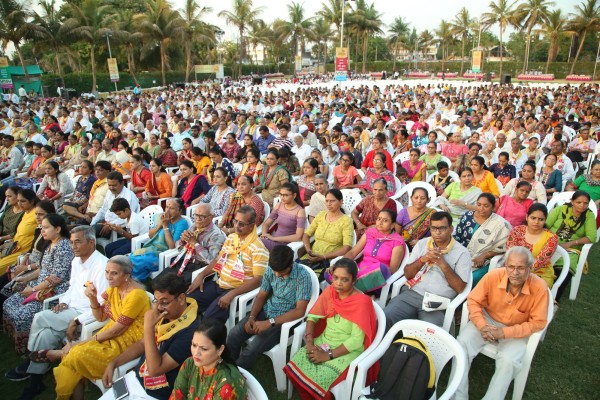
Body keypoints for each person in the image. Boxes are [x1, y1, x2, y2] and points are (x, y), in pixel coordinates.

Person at [6, 226, 107, 396]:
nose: (73, 246)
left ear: (91, 243)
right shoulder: (76, 261)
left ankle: (33, 357)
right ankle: (35, 381)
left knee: (39, 318)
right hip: (70, 308)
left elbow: (102, 305)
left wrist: (77, 321)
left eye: (77, 242)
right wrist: (64, 302)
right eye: (71, 242)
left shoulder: (102, 266)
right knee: (46, 334)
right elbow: (71, 288)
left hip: (85, 314)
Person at [455, 246, 549, 400]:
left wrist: (504, 333)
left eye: (521, 268)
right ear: (505, 266)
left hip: (516, 330)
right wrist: (482, 325)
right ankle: (458, 396)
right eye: (511, 267)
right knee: (462, 344)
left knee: (508, 360)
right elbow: (473, 300)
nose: (515, 272)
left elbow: (538, 323)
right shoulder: (493, 276)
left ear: (529, 269)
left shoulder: (539, 287)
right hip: (488, 320)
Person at [52, 256, 151, 400]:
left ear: (126, 275)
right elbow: (100, 317)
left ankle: (60, 361)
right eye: (107, 272)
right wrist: (92, 298)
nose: (108, 277)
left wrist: (80, 343)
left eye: (114, 273)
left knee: (74, 355)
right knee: (73, 358)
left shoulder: (136, 296)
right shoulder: (113, 290)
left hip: (128, 341)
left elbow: (119, 330)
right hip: (110, 334)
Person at [283, 258, 378, 400]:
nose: (338, 283)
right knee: (294, 366)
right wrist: (309, 343)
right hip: (324, 341)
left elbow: (356, 340)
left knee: (321, 379)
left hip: (347, 351)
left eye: (345, 279)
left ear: (354, 281)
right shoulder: (330, 292)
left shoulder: (362, 303)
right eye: (336, 278)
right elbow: (313, 317)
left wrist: (328, 355)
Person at [102, 273, 199, 400]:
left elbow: (155, 370)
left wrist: (148, 327)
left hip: (155, 394)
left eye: (164, 302)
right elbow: (143, 344)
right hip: (135, 379)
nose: (158, 307)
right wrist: (114, 363)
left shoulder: (190, 333)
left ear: (181, 298)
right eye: (156, 301)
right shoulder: (165, 315)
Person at [226, 245, 312, 370]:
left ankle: (236, 376)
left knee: (251, 349)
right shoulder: (270, 270)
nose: (276, 275)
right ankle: (228, 367)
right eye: (275, 271)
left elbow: (300, 311)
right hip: (267, 311)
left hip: (285, 322)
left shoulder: (302, 277)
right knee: (233, 334)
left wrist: (269, 323)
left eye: (281, 273)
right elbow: (261, 296)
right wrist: (252, 317)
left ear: (291, 265)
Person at [383, 211, 471, 328]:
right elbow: (407, 274)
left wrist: (442, 264)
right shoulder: (422, 244)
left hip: (437, 302)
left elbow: (460, 288)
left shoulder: (462, 253)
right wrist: (422, 259)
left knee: (428, 333)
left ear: (451, 229)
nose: (437, 232)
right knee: (386, 316)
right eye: (434, 228)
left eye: (442, 228)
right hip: (412, 293)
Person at [3, 213, 74, 354]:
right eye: (42, 227)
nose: (42, 230)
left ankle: (28, 348)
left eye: (46, 227)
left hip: (53, 291)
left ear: (58, 229)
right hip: (40, 285)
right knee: (9, 302)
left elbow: (56, 277)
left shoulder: (63, 247)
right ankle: (16, 342)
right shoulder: (50, 244)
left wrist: (33, 289)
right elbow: (43, 269)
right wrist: (25, 278)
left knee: (22, 314)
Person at [186, 206, 269, 321]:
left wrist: (232, 294)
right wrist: (201, 275)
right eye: (235, 221)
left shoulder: (258, 248)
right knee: (186, 301)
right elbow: (218, 260)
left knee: (209, 318)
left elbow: (258, 279)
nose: (236, 226)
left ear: (251, 226)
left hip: (236, 290)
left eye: (241, 224)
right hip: (220, 284)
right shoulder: (231, 238)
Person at [169, 319, 247, 399]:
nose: (196, 353)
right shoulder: (189, 364)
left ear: (220, 350)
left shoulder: (227, 383)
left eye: (204, 349)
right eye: (194, 345)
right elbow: (176, 396)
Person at [336, 209, 405, 294]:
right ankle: (350, 287)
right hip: (359, 272)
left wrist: (371, 270)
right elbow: (353, 253)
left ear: (392, 225)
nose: (380, 222)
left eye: (385, 220)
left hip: (378, 278)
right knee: (329, 273)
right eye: (379, 219)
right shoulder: (370, 233)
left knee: (382, 268)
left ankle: (347, 287)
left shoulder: (397, 242)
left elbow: (392, 270)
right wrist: (338, 265)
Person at [546, 190, 597, 300]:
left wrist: (570, 243)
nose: (582, 206)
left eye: (586, 203)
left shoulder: (589, 215)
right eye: (579, 202)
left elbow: (592, 237)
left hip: (571, 248)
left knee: (568, 264)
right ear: (572, 201)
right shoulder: (560, 210)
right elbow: (546, 225)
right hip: (550, 242)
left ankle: (554, 297)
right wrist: (551, 241)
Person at [454, 193, 512, 286]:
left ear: (493, 207)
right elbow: (457, 237)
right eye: (479, 204)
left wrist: (485, 255)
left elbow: (504, 247)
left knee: (472, 278)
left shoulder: (501, 224)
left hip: (482, 261)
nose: (481, 208)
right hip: (460, 254)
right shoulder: (467, 216)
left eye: (486, 206)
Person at [163, 204, 226, 285]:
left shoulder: (216, 235)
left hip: (199, 267)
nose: (197, 219)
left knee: (170, 288)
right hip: (185, 260)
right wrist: (182, 241)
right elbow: (178, 247)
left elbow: (212, 260)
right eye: (196, 215)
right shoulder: (194, 227)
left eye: (202, 216)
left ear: (211, 217)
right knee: (159, 281)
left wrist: (195, 243)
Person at [130, 199, 189, 281]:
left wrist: (165, 227)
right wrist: (160, 224)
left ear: (179, 211)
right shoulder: (162, 218)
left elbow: (172, 246)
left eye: (171, 208)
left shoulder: (182, 223)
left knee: (136, 262)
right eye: (167, 207)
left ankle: (134, 280)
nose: (167, 211)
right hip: (152, 248)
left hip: (163, 254)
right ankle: (135, 279)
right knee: (131, 258)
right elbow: (150, 235)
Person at [300, 189, 354, 273]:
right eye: (327, 201)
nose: (329, 204)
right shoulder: (321, 215)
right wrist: (308, 250)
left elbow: (347, 248)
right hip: (311, 256)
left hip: (329, 261)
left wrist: (323, 257)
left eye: (332, 201)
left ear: (341, 202)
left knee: (308, 277)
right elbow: (306, 234)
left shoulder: (346, 221)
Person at [507, 204, 559, 288]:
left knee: (528, 290)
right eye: (533, 218)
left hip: (540, 274)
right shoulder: (517, 231)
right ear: (527, 217)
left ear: (545, 220)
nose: (536, 222)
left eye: (541, 219)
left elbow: (539, 262)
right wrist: (515, 272)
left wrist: (520, 275)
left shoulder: (552, 238)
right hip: (513, 269)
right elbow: (511, 253)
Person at [91, 171, 140, 238]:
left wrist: (110, 225)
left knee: (89, 233)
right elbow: (103, 210)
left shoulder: (129, 197)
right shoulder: (109, 192)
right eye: (109, 185)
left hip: (121, 227)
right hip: (108, 222)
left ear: (122, 183)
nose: (111, 188)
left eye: (114, 185)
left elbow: (127, 218)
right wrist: (93, 223)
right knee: (86, 227)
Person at [0, 188, 39, 273]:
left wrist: (29, 252)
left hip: (22, 252)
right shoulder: (26, 212)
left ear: (32, 201)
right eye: (18, 201)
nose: (19, 204)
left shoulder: (37, 213)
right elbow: (19, 234)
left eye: (23, 201)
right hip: (12, 247)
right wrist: (6, 244)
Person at [260, 182, 306, 251]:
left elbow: (298, 236)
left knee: (256, 242)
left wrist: (273, 238)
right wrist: (264, 234)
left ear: (294, 195)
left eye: (285, 195)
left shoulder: (300, 211)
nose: (282, 197)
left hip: (285, 245)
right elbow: (267, 223)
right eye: (281, 194)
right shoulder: (279, 205)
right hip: (273, 240)